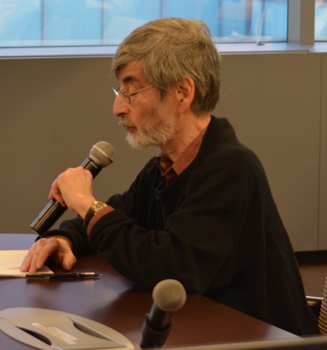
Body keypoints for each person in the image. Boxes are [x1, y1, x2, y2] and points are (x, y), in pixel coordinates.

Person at [20, 18, 319, 336]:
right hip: (205, 333)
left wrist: (87, 204)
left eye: (131, 91)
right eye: (119, 91)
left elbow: (170, 267)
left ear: (182, 92)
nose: (118, 107)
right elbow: (121, 214)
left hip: (264, 342)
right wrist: (66, 238)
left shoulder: (232, 168)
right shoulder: (165, 167)